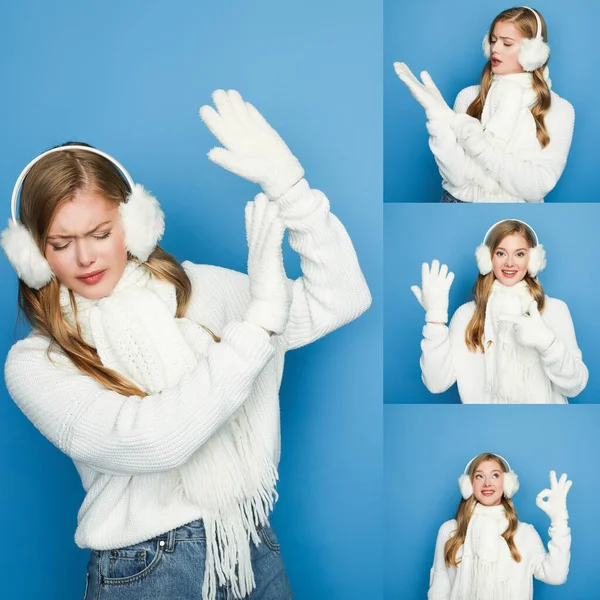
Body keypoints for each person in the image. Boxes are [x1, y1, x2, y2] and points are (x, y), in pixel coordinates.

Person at [1, 89, 371, 600]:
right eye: (60, 244)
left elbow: (343, 298)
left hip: (250, 544)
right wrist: (259, 323)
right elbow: (157, 440)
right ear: (31, 255)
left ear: (133, 224)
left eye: (100, 232)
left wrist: (293, 191)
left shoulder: (198, 290)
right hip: (147, 570)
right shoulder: (35, 363)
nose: (85, 257)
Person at [394, 6, 574, 203]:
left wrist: (479, 146)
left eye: (507, 43)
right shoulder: (469, 96)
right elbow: (457, 179)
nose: (495, 49)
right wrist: (439, 120)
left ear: (533, 52)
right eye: (493, 40)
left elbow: (536, 187)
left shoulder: (559, 109)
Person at [411, 219, 587, 403]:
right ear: (487, 259)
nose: (510, 263)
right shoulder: (466, 316)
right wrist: (435, 319)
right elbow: (436, 384)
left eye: (519, 254)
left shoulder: (555, 310)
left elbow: (575, 386)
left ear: (533, 260)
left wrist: (548, 343)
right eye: (501, 253)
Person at [428, 452, 571, 599]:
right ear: (469, 485)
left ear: (508, 484)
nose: (487, 483)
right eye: (479, 476)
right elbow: (439, 589)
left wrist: (559, 520)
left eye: (495, 475)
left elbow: (556, 576)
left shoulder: (524, 533)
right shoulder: (450, 530)